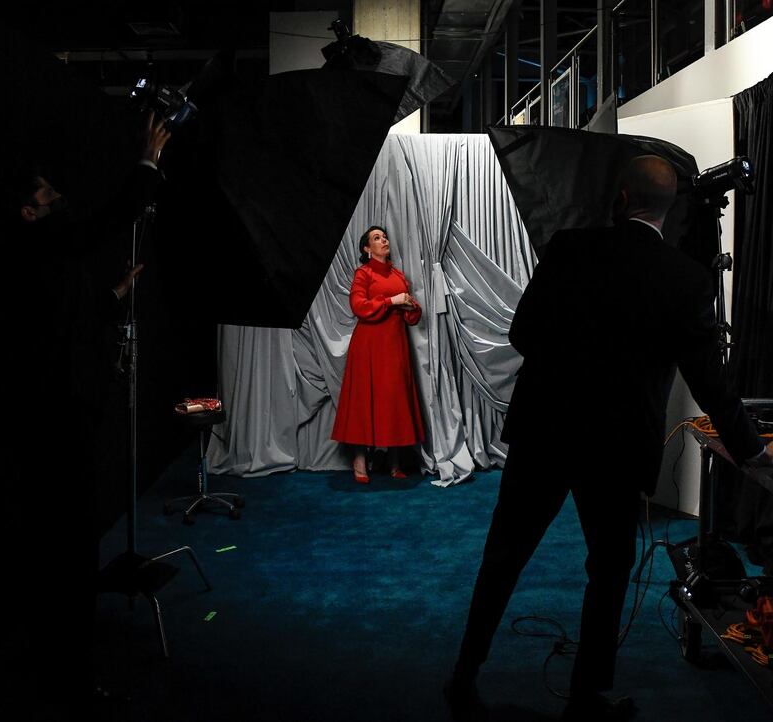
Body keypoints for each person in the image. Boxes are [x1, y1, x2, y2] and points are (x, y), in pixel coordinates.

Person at [444, 155, 772, 721]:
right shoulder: (684, 281)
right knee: (609, 569)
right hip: (617, 449)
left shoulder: (568, 249)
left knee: (503, 558)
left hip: (544, 431)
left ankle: (463, 675)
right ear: (669, 215)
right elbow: (712, 385)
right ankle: (586, 696)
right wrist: (752, 451)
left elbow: (522, 333)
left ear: (620, 200)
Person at [0, 111, 170, 722]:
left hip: (60, 419)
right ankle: (65, 682)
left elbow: (71, 307)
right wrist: (147, 160)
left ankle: (64, 672)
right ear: (28, 212)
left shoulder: (43, 255)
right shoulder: (37, 244)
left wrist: (117, 292)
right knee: (63, 557)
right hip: (51, 424)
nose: (58, 195)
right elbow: (105, 221)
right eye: (46, 193)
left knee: (66, 554)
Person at [331, 225, 425, 482]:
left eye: (384, 237)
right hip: (369, 346)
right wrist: (390, 302)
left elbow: (413, 316)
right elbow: (358, 306)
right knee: (365, 400)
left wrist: (409, 305)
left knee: (393, 400)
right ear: (366, 248)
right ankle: (359, 462)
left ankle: (395, 462)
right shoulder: (363, 273)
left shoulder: (398, 274)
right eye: (376, 238)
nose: (383, 240)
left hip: (395, 346)